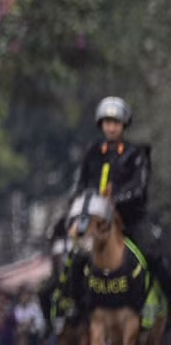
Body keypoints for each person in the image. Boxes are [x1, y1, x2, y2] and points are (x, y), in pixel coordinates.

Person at [71, 96, 169, 293]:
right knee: (74, 257)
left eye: (116, 122)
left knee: (154, 254)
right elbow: (81, 185)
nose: (111, 127)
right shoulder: (92, 153)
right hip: (95, 219)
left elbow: (139, 188)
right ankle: (76, 305)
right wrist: (84, 203)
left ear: (124, 125)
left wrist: (114, 201)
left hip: (130, 218)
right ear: (101, 125)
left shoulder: (137, 153)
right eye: (107, 122)